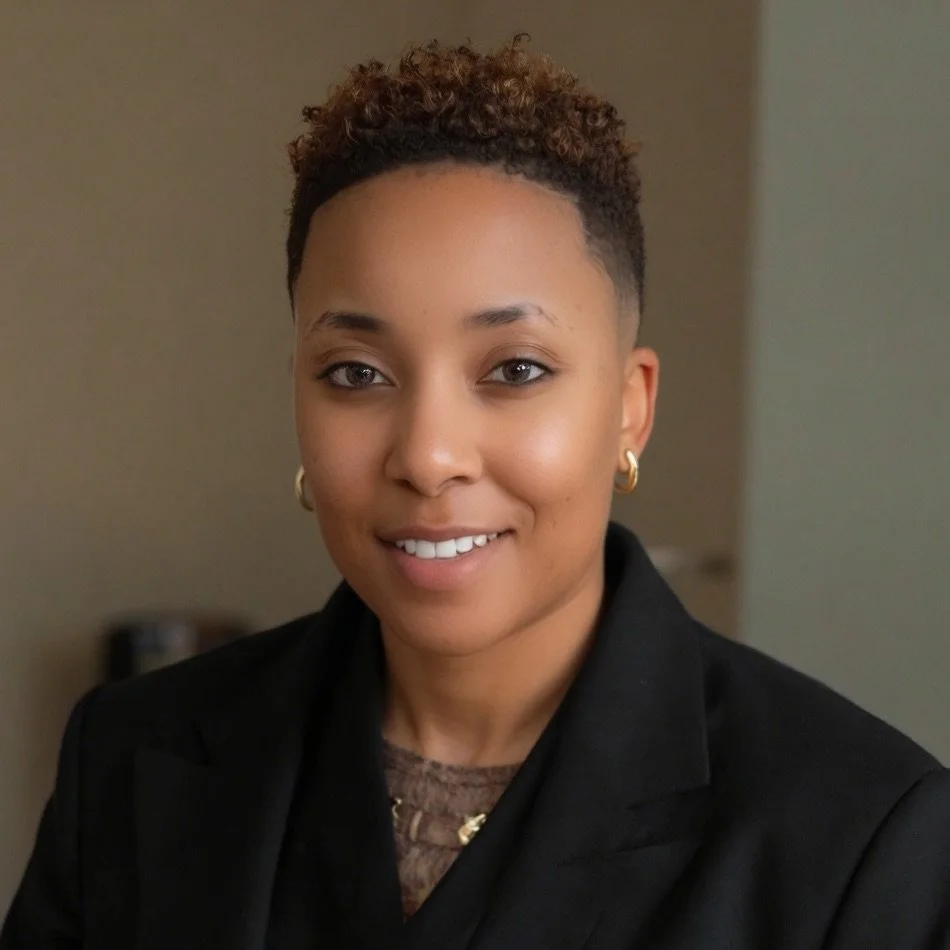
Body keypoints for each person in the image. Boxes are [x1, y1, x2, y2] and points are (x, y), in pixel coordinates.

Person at [2, 36, 948, 950]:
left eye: (517, 369)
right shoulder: (130, 761)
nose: (429, 454)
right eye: (357, 374)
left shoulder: (864, 837)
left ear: (630, 409)